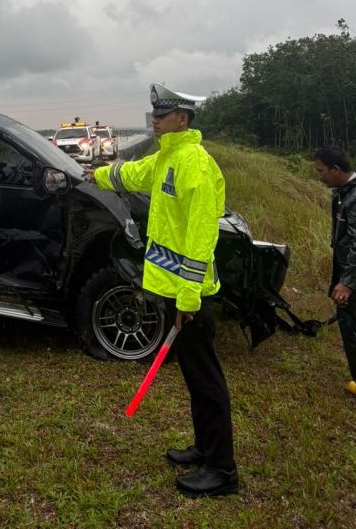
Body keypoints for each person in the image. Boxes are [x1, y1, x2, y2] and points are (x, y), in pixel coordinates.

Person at [91, 83, 237, 497]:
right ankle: (204, 449)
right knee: (195, 378)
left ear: (182, 119)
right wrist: (95, 173)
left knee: (207, 382)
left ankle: (222, 471)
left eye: (161, 115)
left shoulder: (196, 164)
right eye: (153, 115)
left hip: (192, 296)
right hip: (177, 292)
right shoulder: (169, 157)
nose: (153, 121)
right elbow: (133, 173)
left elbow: (200, 236)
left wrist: (188, 298)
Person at [313, 146, 356, 415]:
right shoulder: (345, 193)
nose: (319, 176)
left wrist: (347, 282)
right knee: (353, 329)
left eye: (321, 171)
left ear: (336, 170)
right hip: (351, 273)